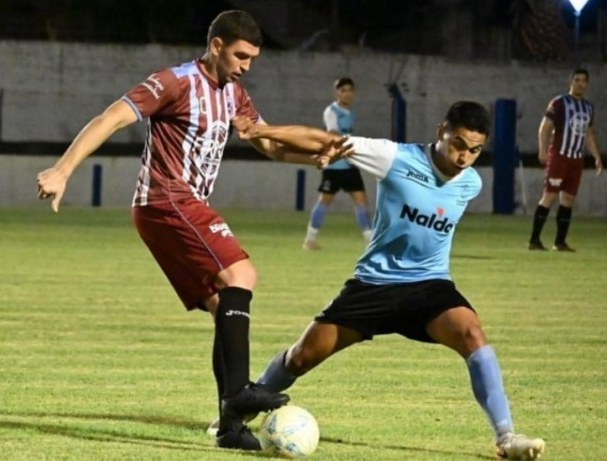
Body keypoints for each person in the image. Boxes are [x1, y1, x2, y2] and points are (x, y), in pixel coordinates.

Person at [35, 10, 345, 451]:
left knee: (225, 307)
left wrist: (311, 157)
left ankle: (230, 428)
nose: (246, 66)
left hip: (182, 206)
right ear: (216, 45)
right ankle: (238, 395)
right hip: (166, 201)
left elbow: (269, 146)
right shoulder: (173, 82)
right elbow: (110, 118)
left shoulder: (234, 94)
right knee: (242, 275)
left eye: (253, 58)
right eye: (240, 55)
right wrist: (63, 170)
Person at [223, 101, 546, 460]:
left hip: (429, 286)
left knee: (473, 335)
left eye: (474, 150)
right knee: (301, 357)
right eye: (458, 143)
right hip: (374, 284)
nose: (463, 157)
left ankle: (506, 438)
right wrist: (262, 131)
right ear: (441, 131)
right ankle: (237, 414)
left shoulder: (470, 183)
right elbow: (324, 139)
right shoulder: (394, 157)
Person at [528, 68, 603, 252]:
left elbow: (588, 133)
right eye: (576, 80)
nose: (580, 83)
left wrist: (597, 157)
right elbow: (545, 127)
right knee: (550, 196)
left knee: (568, 199)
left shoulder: (588, 108)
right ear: (571, 81)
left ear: (587, 84)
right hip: (559, 157)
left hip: (576, 159)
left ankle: (560, 242)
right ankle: (534, 240)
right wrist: (543, 149)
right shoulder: (559, 102)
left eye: (583, 80)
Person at [302, 77, 373, 250]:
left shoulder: (350, 113)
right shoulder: (331, 111)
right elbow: (333, 133)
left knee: (362, 201)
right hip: (334, 165)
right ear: (337, 93)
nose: (347, 94)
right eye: (343, 90)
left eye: (350, 90)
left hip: (349, 163)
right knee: (324, 201)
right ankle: (310, 240)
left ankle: (370, 240)